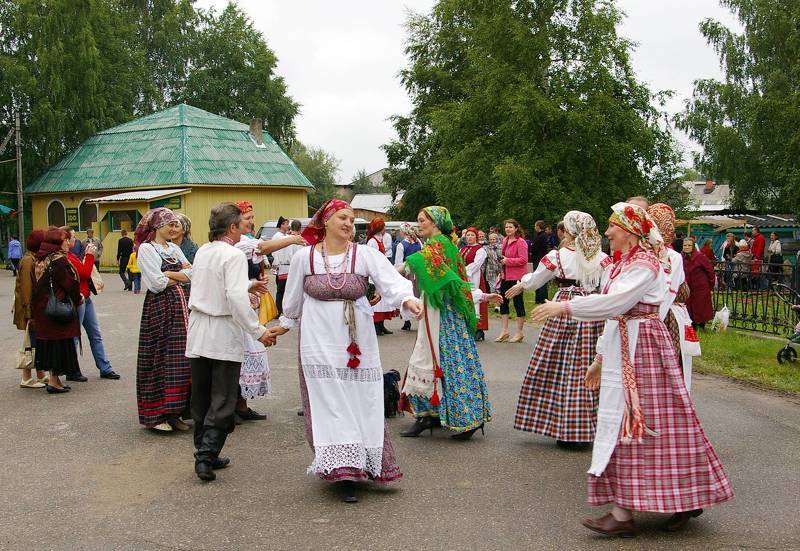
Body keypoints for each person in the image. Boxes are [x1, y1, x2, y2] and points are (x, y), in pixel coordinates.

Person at [531, 202, 734, 536]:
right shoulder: (622, 265)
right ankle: (623, 513)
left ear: (629, 231)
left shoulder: (645, 265)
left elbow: (615, 304)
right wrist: (598, 359)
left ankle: (683, 497)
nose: (607, 232)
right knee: (622, 425)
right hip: (625, 345)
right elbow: (616, 317)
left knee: (656, 423)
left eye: (612, 226)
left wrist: (564, 306)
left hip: (645, 351)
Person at [266, 199, 419, 503]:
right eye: (343, 218)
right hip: (317, 342)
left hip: (357, 341)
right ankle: (343, 470)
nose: (349, 224)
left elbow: (392, 282)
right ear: (324, 222)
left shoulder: (364, 255)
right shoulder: (304, 258)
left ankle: (364, 461)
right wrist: (282, 325)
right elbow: (293, 301)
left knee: (362, 398)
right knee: (331, 402)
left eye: (352, 219)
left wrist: (407, 300)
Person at [186, 202, 274, 482]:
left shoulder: (203, 250)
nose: (245, 229)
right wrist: (258, 330)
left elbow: (213, 285)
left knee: (201, 396)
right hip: (221, 332)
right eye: (242, 224)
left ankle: (204, 449)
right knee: (223, 397)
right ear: (233, 227)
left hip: (199, 330)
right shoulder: (233, 255)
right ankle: (205, 456)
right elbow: (235, 299)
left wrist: (245, 285)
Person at [507, 212, 611, 448]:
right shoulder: (603, 258)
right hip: (592, 309)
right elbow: (607, 288)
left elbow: (535, 280)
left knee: (556, 364)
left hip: (562, 307)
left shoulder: (558, 256)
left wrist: (521, 284)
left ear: (570, 230)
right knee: (585, 365)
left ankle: (562, 426)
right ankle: (586, 427)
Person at [398, 206, 500, 440]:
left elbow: (425, 268)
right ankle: (432, 414)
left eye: (422, 220)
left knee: (444, 361)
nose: (419, 224)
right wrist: (481, 296)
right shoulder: (444, 245)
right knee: (443, 360)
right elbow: (456, 281)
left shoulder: (439, 245)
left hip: (442, 313)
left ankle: (457, 418)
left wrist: (389, 272)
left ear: (434, 223)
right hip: (440, 309)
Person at [232, 202, 305, 423]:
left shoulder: (246, 240)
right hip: (237, 304)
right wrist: (293, 239)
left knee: (247, 354)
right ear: (234, 223)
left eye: (253, 217)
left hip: (249, 302)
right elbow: (261, 248)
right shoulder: (237, 244)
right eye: (248, 218)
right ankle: (232, 406)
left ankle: (241, 405)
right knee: (239, 355)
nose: (252, 222)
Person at [134, 208, 193, 432]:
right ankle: (156, 415)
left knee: (180, 361)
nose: (172, 228)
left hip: (182, 310)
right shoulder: (147, 250)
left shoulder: (174, 248)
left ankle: (175, 411)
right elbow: (156, 283)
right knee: (160, 358)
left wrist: (170, 274)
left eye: (174, 224)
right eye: (169, 224)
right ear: (157, 226)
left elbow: (194, 274)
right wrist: (180, 275)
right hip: (160, 311)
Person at [648, 203, 695, 391]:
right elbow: (666, 294)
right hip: (661, 318)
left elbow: (667, 293)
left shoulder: (668, 256)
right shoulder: (668, 256)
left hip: (662, 317)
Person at [32, 227, 83, 393]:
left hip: (44, 310)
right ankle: (54, 382)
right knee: (59, 345)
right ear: (56, 242)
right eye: (64, 239)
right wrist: (78, 299)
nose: (68, 242)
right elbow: (70, 284)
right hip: (57, 310)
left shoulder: (41, 259)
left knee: (53, 344)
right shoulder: (59, 260)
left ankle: (55, 380)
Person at [65, 227, 120, 381]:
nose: (75, 240)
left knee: (95, 334)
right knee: (75, 335)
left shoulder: (71, 255)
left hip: (86, 297)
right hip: (79, 298)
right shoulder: (66, 257)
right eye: (72, 238)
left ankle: (105, 367)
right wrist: (89, 256)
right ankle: (72, 369)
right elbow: (83, 272)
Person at [13, 230, 47, 388]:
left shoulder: (33, 258)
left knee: (36, 340)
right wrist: (29, 312)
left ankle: (40, 373)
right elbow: (26, 288)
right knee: (29, 342)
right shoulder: (28, 261)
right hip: (29, 308)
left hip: (32, 307)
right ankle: (26, 377)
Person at [497, 219, 528, 343]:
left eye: (510, 227)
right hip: (505, 276)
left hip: (517, 277)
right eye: (506, 227)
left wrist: (507, 261)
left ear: (516, 228)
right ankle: (504, 331)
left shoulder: (521, 242)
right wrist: (502, 269)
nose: (508, 229)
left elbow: (523, 260)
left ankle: (519, 332)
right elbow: (503, 258)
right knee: (503, 302)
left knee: (518, 303)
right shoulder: (504, 240)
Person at [366, 217, 398, 335]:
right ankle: (376, 325)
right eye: (383, 226)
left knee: (382, 299)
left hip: (381, 271)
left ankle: (381, 324)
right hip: (376, 273)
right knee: (377, 299)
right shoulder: (372, 241)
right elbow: (371, 258)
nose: (384, 229)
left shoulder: (379, 239)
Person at [460, 226, 489, 341]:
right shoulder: (462, 249)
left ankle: (479, 328)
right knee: (465, 300)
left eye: (472, 235)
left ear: (476, 237)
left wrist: (464, 271)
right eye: (468, 235)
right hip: (462, 278)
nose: (470, 237)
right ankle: (468, 326)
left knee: (476, 300)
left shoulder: (480, 250)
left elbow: (477, 264)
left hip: (474, 278)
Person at [394, 223, 423, 331]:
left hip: (407, 272)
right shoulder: (419, 242)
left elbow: (398, 263)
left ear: (403, 232)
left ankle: (407, 321)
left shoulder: (401, 245)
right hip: (418, 272)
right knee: (418, 293)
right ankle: (420, 317)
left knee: (407, 295)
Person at [683, 236, 716, 330]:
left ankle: (702, 325)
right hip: (688, 286)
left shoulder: (700, 257)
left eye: (689, 245)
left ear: (693, 246)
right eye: (685, 245)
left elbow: (710, 271)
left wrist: (711, 285)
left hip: (700, 286)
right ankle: (692, 324)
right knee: (689, 306)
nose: (687, 247)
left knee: (701, 306)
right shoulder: (681, 257)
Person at [273, 220, 304, 314]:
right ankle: (291, 311)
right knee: (292, 291)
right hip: (293, 269)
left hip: (282, 267)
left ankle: (278, 311)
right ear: (300, 229)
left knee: (280, 291)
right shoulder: (300, 240)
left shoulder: (284, 239)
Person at [531, 220, 550, 304]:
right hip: (542, 259)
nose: (534, 227)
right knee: (541, 278)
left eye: (535, 226)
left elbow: (534, 248)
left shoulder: (540, 236)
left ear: (538, 227)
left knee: (540, 278)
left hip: (538, 259)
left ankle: (541, 298)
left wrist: (531, 248)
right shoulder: (543, 236)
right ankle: (539, 298)